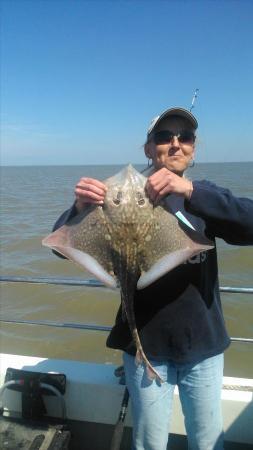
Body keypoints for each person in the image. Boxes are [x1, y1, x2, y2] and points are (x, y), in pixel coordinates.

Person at [53, 107, 253, 450]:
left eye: (185, 137)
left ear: (193, 148)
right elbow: (59, 245)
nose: (175, 144)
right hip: (146, 346)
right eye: (164, 137)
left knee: (207, 441)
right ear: (148, 149)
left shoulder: (204, 195)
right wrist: (80, 208)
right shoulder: (116, 199)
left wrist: (189, 191)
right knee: (149, 442)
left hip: (202, 346)